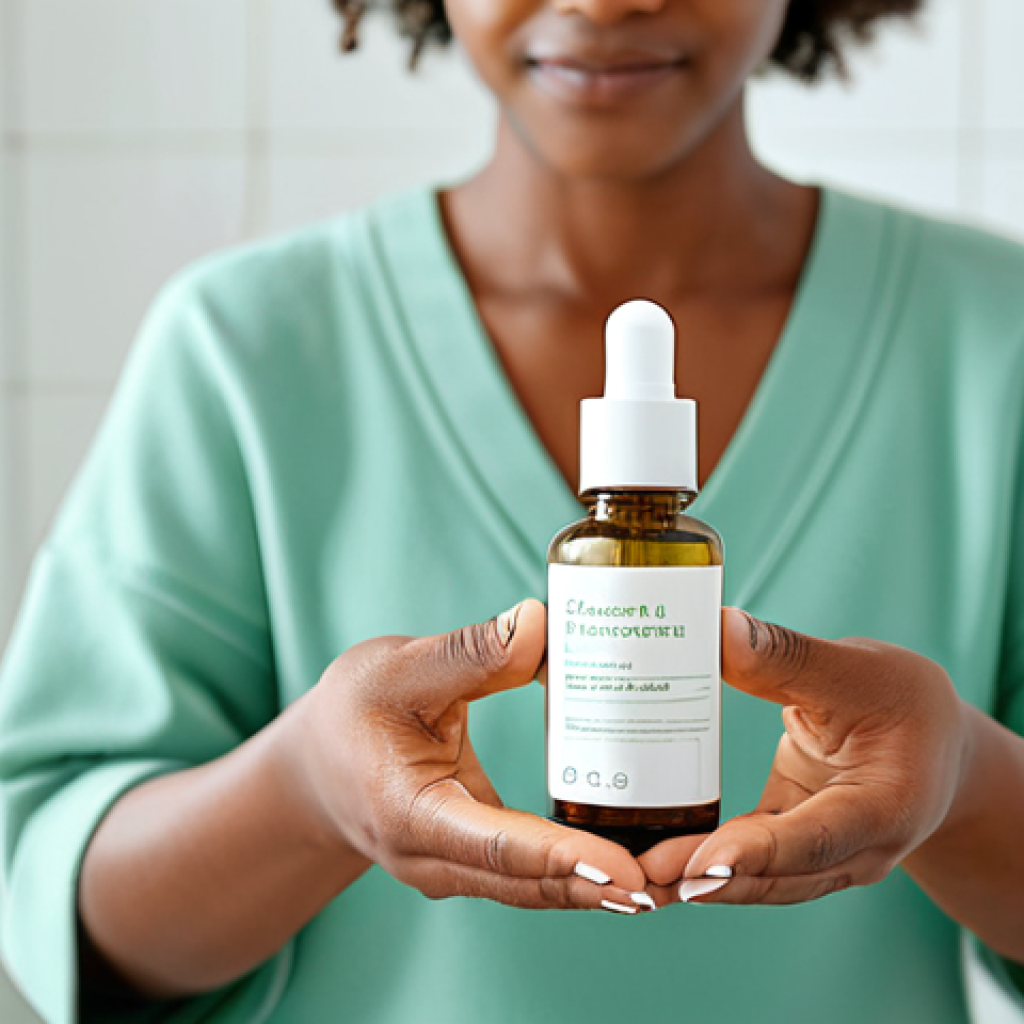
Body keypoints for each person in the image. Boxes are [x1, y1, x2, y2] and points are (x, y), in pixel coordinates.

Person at [2, 1, 1023, 1021]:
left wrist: (968, 785)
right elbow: (63, 903)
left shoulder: (994, 342)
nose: (603, 1)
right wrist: (307, 791)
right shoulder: (242, 349)